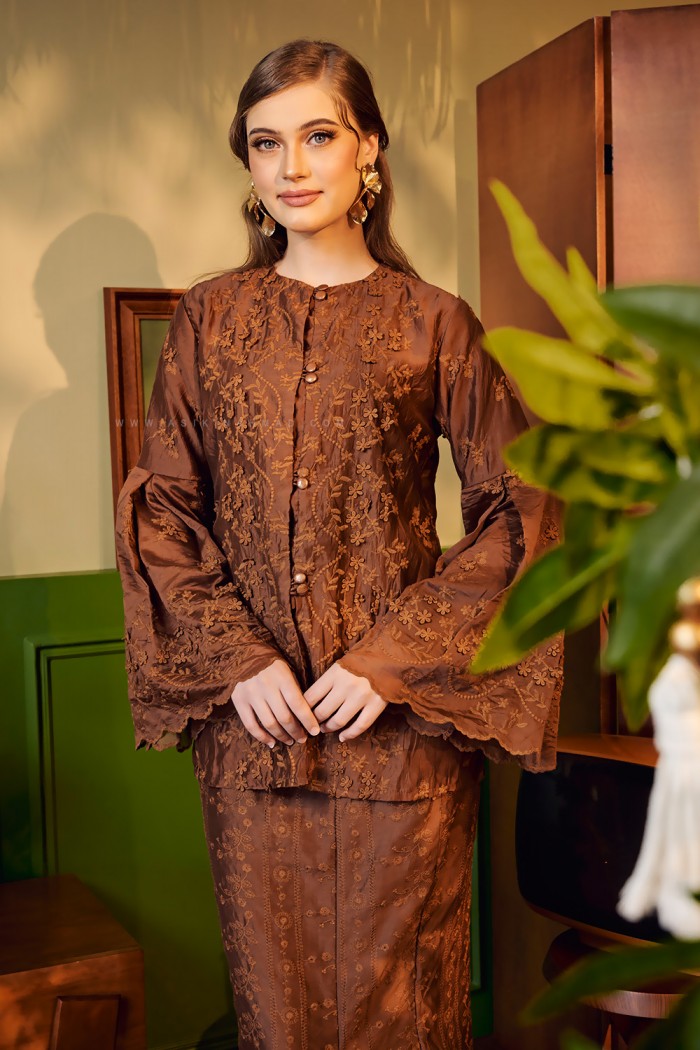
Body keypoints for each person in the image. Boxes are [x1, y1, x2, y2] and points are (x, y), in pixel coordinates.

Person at [114, 38, 562, 1050]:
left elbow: (522, 507)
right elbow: (164, 511)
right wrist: (238, 661)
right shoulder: (210, 319)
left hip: (399, 737)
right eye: (265, 143)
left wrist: (391, 661)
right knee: (276, 1017)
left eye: (318, 136)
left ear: (368, 149)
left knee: (405, 1013)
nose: (291, 166)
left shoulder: (435, 324)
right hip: (255, 736)